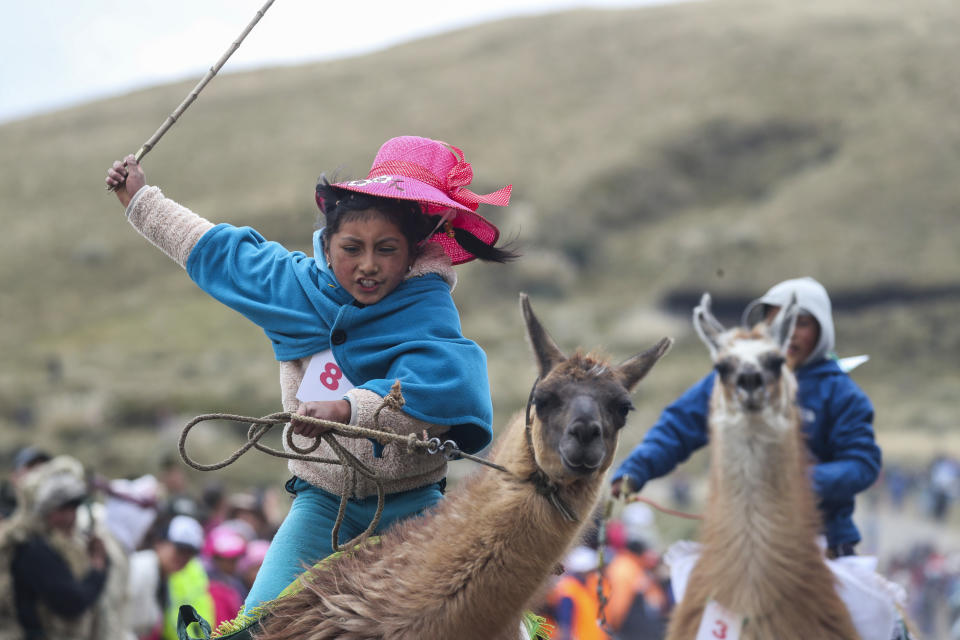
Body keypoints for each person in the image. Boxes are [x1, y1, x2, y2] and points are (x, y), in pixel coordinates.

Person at [105, 135, 516, 613]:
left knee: (474, 619)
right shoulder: (291, 289)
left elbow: (437, 386)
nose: (368, 265)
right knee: (258, 623)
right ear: (327, 242)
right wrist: (140, 199)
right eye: (351, 248)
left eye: (386, 249)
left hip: (414, 505)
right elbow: (217, 252)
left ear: (410, 253)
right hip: (321, 507)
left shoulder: (427, 308)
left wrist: (347, 409)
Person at [612, 277, 882, 558]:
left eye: (799, 324)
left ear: (822, 329)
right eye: (774, 324)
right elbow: (679, 426)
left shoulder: (840, 393)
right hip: (743, 538)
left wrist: (798, 480)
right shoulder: (734, 378)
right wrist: (637, 469)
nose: (788, 334)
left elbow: (862, 464)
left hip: (824, 543)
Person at [0, 455, 110, 640]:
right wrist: (98, 567)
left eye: (75, 507)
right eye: (63, 509)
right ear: (46, 511)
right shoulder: (33, 549)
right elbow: (71, 602)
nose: (71, 516)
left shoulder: (63, 545)